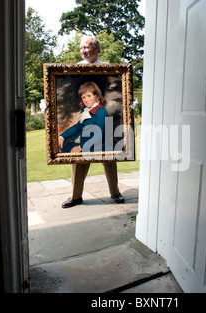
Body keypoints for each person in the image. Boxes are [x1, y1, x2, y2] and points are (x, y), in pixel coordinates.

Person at [61, 35, 125, 208]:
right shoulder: (72, 70)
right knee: (78, 160)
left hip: (103, 136)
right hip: (88, 137)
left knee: (110, 159)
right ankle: (75, 196)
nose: (83, 51)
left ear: (96, 49)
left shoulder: (109, 69)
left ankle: (115, 192)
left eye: (87, 47)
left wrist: (129, 101)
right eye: (81, 48)